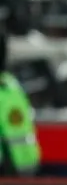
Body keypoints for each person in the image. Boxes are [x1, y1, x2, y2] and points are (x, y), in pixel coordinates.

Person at [0, 31, 41, 177]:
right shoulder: (12, 85)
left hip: (12, 170)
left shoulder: (6, 89)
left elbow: (9, 138)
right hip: (23, 167)